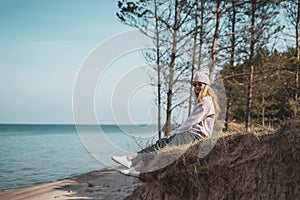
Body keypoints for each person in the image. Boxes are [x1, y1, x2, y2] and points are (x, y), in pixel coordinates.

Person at [111, 68, 220, 177]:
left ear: (205, 86)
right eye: (195, 84)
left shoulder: (205, 102)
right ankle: (135, 167)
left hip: (196, 136)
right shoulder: (204, 102)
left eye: (200, 84)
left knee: (163, 145)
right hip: (194, 134)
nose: (197, 87)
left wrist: (173, 133)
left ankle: (131, 161)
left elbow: (190, 123)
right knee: (161, 145)